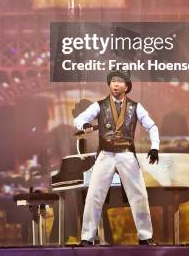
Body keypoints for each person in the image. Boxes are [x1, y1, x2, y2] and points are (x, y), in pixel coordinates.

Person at [73, 69, 159, 246]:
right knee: (94, 195)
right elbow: (78, 120)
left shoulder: (136, 107)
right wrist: (85, 124)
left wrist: (155, 147)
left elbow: (152, 127)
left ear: (126, 87)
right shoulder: (99, 105)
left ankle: (145, 236)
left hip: (126, 155)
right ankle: (87, 237)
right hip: (105, 155)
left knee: (139, 195)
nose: (115, 84)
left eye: (119, 81)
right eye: (113, 81)